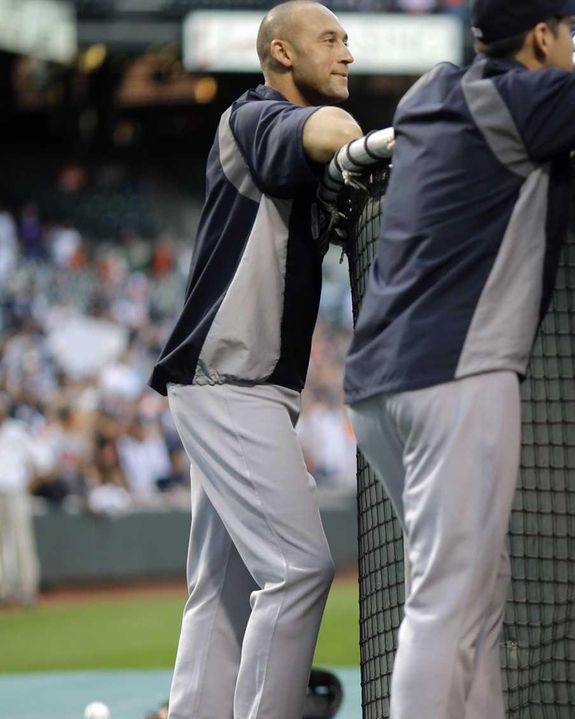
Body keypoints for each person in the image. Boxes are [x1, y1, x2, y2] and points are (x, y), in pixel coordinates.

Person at [343, 1, 575, 714]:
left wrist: (565, 75)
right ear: (542, 36)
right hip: (456, 369)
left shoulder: (432, 92)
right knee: (450, 600)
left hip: (377, 383)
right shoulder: (531, 102)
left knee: (475, 593)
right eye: (565, 31)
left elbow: (531, 91)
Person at [147, 2, 362, 715]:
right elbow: (332, 131)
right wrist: (369, 150)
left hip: (236, 385)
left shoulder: (279, 133)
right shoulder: (254, 115)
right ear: (280, 53)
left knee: (222, 591)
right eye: (329, 40)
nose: (347, 53)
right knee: (300, 570)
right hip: (228, 380)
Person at [0, 396, 39, 607]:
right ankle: (4, 589)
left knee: (22, 540)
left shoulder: (17, 430)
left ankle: (27, 588)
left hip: (15, 489)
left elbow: (40, 459)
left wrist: (29, 484)